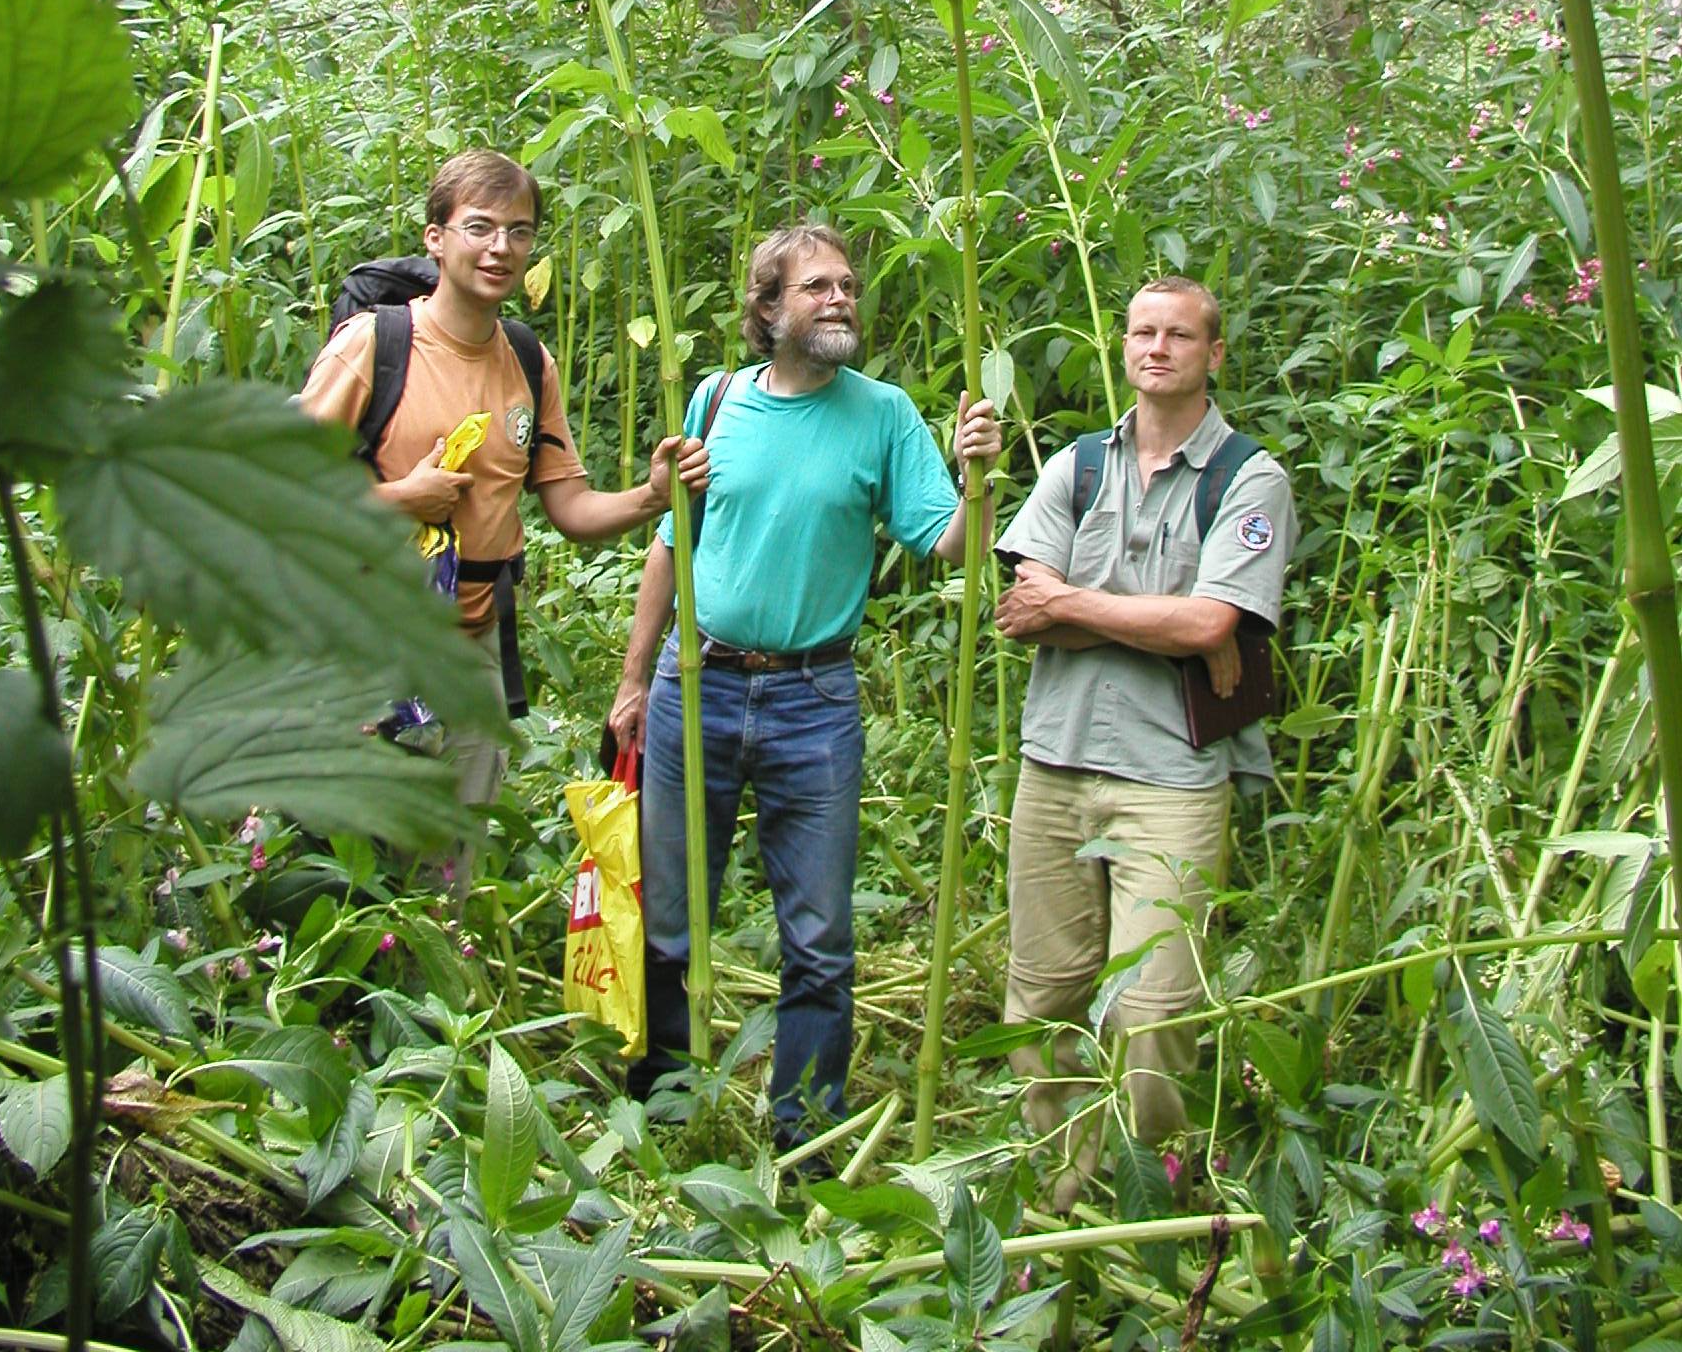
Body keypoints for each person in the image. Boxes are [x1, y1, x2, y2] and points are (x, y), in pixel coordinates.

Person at [607, 221, 1001, 1152]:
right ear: (768, 308)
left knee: (820, 937)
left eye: (848, 286)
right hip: (694, 684)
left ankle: (803, 1131)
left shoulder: (885, 414)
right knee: (669, 912)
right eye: (816, 286)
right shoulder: (711, 401)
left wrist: (975, 478)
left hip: (812, 701)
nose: (838, 300)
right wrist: (633, 679)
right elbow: (673, 546)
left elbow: (946, 544)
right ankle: (667, 1108)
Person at [299, 148, 708, 894]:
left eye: (519, 233)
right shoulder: (373, 345)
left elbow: (571, 507)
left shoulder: (526, 358)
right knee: (349, 863)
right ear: (436, 237)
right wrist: (401, 498)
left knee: (448, 863)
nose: (500, 249)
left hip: (474, 644)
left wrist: (652, 496)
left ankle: (438, 988)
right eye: (479, 228)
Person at [995, 275, 1295, 1200]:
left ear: (1213, 353)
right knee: (1042, 994)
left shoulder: (1251, 479)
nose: (1157, 348)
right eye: (1142, 333)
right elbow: (1020, 611)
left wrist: (1081, 606)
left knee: (1156, 1011)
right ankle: (1057, 1195)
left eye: (1179, 335)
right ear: (1123, 348)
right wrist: (1168, 621)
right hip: (1054, 767)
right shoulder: (1077, 466)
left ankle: (1144, 1195)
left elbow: (1212, 625)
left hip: (1173, 781)